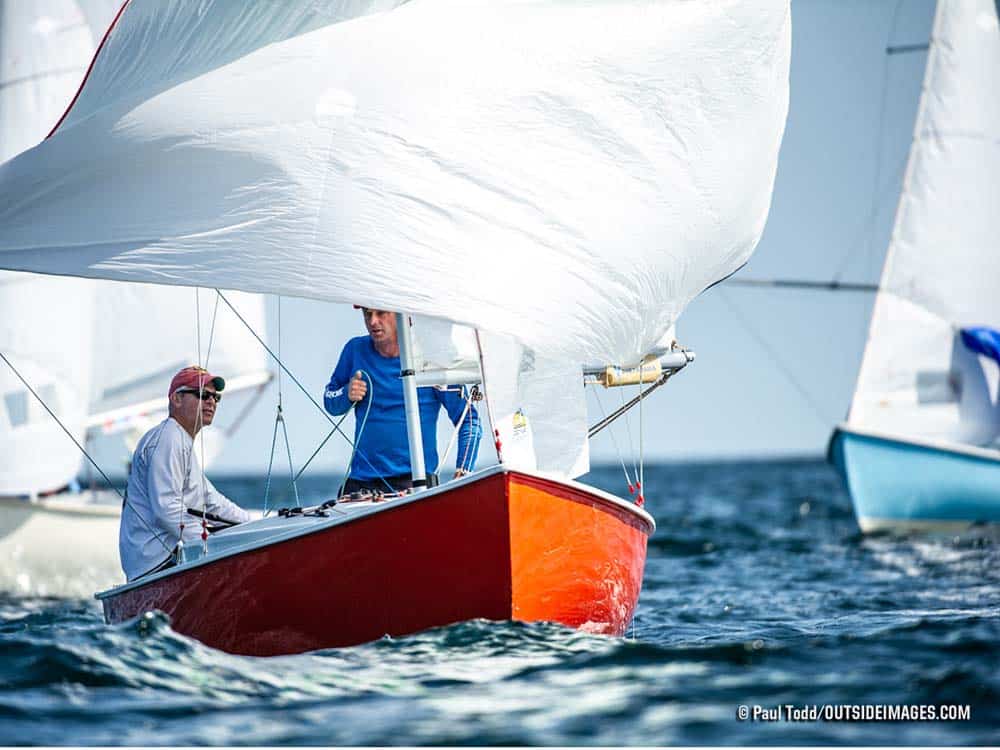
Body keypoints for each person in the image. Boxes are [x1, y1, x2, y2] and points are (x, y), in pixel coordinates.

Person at [324, 307, 482, 494]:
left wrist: (463, 470)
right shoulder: (355, 350)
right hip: (361, 482)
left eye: (381, 313)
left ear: (403, 315)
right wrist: (346, 394)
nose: (372, 321)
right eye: (367, 313)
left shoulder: (432, 358)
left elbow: (469, 420)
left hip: (414, 484)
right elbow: (330, 401)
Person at [119, 366, 252, 581]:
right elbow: (167, 509)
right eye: (202, 394)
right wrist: (207, 542)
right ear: (177, 398)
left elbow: (211, 501)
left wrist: (252, 524)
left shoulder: (179, 439)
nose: (211, 402)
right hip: (155, 565)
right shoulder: (169, 438)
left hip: (161, 560)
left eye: (216, 397)